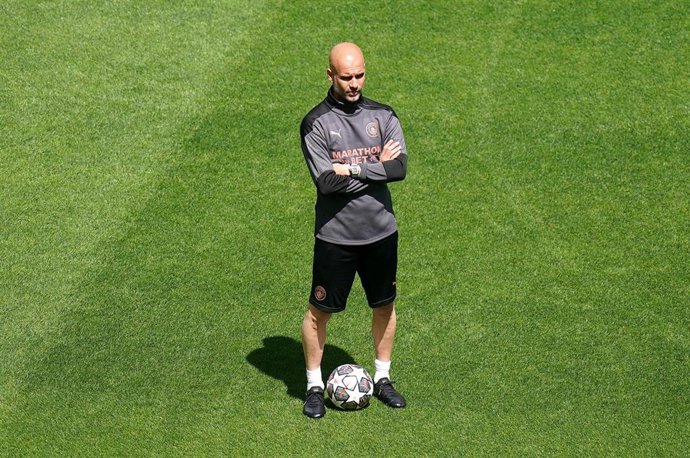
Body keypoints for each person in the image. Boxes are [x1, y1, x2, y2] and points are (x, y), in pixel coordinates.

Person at [299, 42, 408, 418]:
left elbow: (399, 170)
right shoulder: (316, 123)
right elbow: (326, 183)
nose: (354, 83)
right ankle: (314, 385)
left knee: (384, 306)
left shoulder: (384, 114)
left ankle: (382, 378)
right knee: (319, 312)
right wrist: (376, 168)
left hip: (381, 233)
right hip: (336, 238)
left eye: (359, 75)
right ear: (330, 75)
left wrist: (354, 170)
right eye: (346, 77)